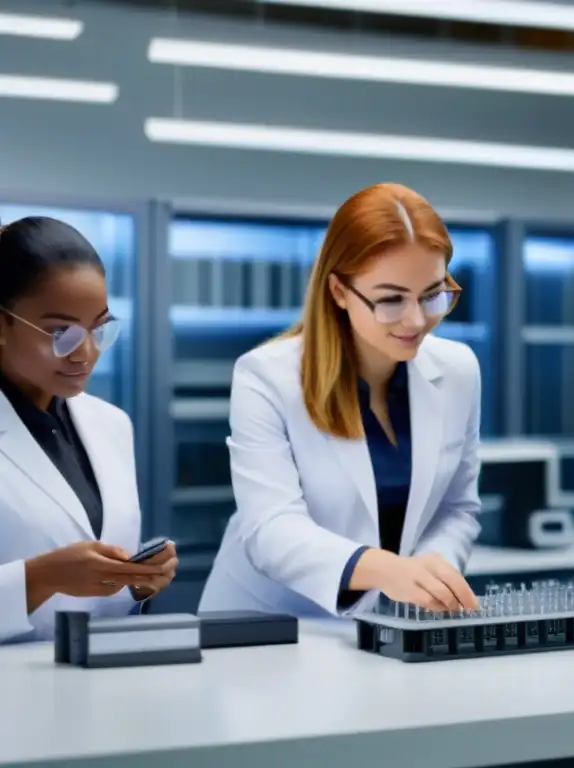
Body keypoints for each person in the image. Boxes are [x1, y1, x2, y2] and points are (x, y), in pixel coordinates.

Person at [199, 183, 482, 618]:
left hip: (383, 624)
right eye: (390, 300)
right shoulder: (267, 376)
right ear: (339, 292)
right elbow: (272, 529)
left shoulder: (459, 370)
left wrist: (432, 569)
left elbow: (457, 506)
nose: (416, 320)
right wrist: (385, 570)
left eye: (432, 295)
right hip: (267, 626)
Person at [0, 216, 177, 644]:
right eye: (61, 332)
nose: (86, 353)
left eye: (98, 328)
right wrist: (38, 578)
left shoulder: (112, 424)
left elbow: (103, 601)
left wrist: (137, 584)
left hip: (100, 687)